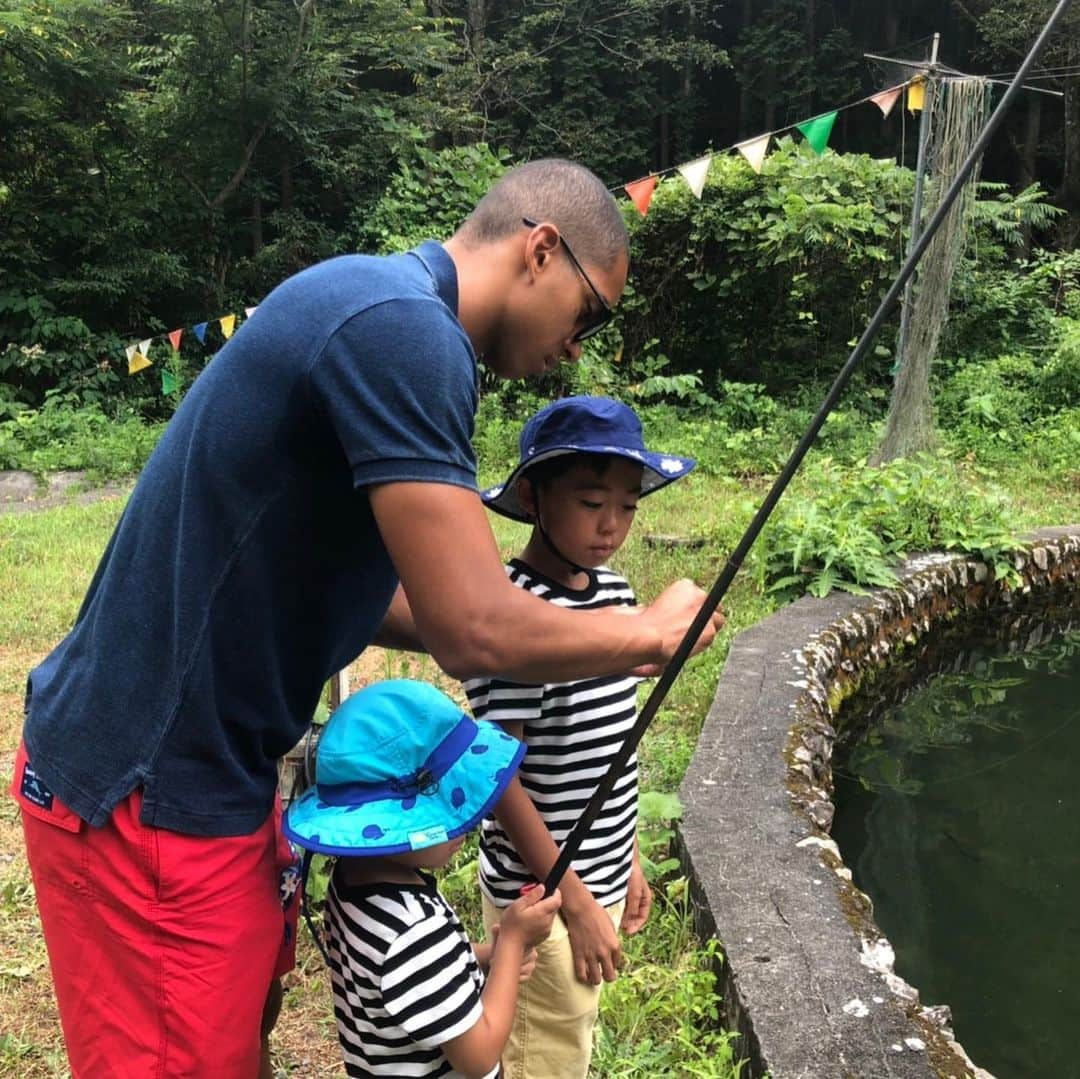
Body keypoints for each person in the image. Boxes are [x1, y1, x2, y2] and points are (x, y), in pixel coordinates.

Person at [11, 158, 724, 1078]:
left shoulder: (386, 313)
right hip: (146, 785)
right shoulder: (406, 334)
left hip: (214, 776)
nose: (577, 345)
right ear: (540, 251)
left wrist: (568, 632)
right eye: (587, 312)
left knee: (230, 1043)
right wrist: (650, 636)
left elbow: (401, 598)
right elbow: (472, 626)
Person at [463, 395, 696, 1079]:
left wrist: (623, 859)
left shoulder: (617, 598)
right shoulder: (519, 615)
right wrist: (580, 901)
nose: (612, 524)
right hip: (542, 902)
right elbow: (496, 778)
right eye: (592, 501)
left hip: (594, 879)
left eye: (628, 506)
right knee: (540, 1056)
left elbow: (607, 750)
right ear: (534, 497)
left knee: (573, 1042)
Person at [283, 678, 562, 1078]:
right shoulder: (414, 928)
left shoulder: (351, 883)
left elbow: (407, 982)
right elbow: (479, 1056)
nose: (470, 819)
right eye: (445, 805)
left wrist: (490, 959)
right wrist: (514, 942)